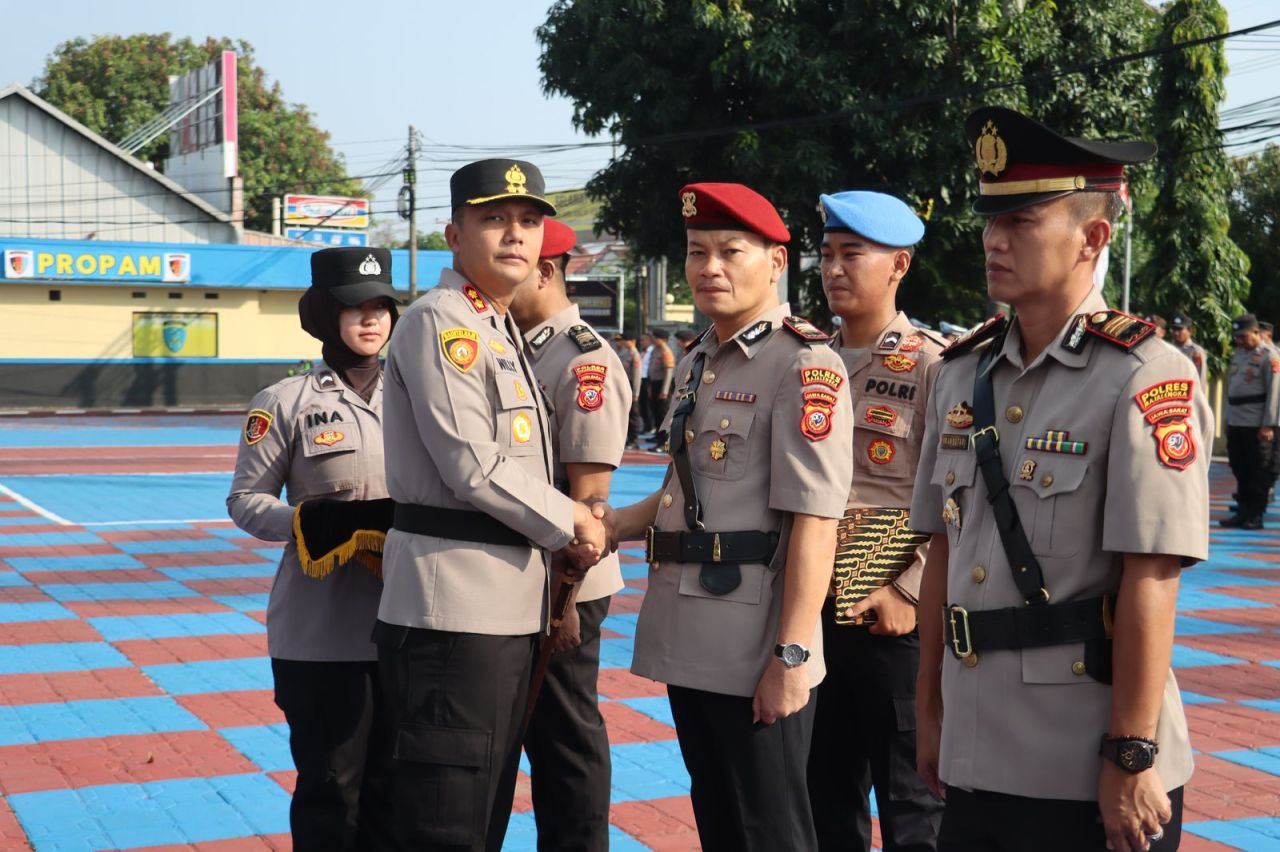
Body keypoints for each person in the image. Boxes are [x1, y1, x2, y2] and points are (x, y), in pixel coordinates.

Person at [911, 106, 1211, 852]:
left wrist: (1131, 754)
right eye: (991, 220)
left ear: (1093, 238)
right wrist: (928, 710)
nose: (994, 239)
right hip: (976, 746)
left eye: (1021, 221)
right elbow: (941, 552)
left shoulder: (1144, 376)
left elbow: (1151, 576)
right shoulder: (958, 374)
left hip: (1083, 758)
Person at [601, 182, 853, 851]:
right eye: (696, 252)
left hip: (756, 644)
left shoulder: (804, 364)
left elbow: (816, 521)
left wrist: (791, 655)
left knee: (771, 830)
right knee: (719, 820)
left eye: (730, 251)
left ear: (776, 262)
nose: (709, 267)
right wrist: (611, 526)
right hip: (693, 634)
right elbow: (685, 494)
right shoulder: (700, 359)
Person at [372, 159, 606, 852]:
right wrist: (574, 519)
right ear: (453, 235)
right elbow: (472, 465)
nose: (515, 234)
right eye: (494, 218)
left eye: (529, 221)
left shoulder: (496, 327)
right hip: (455, 611)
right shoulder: (441, 322)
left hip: (502, 607)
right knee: (447, 822)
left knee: (481, 812)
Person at [227, 246, 401, 851]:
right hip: (322, 633)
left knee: (397, 793)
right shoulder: (285, 401)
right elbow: (245, 500)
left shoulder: (422, 397)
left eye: (382, 306)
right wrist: (315, 522)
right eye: (355, 306)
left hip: (410, 624)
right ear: (325, 313)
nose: (371, 318)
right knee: (332, 790)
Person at [807, 190, 945, 852]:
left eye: (852, 254)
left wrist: (909, 592)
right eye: (827, 254)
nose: (834, 269)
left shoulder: (933, 365)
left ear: (899, 265)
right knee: (823, 797)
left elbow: (955, 496)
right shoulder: (807, 361)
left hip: (892, 616)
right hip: (811, 607)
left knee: (912, 805)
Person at [509, 217, 632, 851]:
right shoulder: (517, 346)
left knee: (564, 742)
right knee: (525, 732)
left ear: (546, 270)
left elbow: (590, 503)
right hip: (520, 577)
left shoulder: (583, 359)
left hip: (566, 582)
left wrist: (563, 601)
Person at [1222, 313, 1280, 530]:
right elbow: (1232, 392)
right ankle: (1243, 512)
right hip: (1237, 422)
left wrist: (1268, 424)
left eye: (1244, 336)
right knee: (1240, 469)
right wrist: (1227, 421)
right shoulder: (1239, 355)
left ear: (1256, 332)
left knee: (1259, 472)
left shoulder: (1269, 356)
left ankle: (1255, 515)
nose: (1240, 340)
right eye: (1237, 336)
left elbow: (1274, 393)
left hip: (1256, 424)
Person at [647, 327, 676, 445]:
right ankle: (658, 435)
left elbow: (669, 372)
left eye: (655, 338)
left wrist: (664, 391)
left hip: (663, 384)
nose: (652, 339)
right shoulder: (655, 350)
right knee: (655, 411)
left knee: (663, 413)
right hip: (654, 383)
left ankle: (664, 440)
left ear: (662, 339)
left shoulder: (666, 351)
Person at [617, 332, 645, 449]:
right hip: (625, 384)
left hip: (631, 385)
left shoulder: (635, 355)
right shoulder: (625, 352)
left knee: (633, 414)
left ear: (632, 341)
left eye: (624, 340)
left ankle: (634, 439)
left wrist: (636, 393)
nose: (622, 342)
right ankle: (629, 438)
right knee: (627, 413)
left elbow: (637, 375)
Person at [1169, 315, 1206, 383]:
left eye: (1180, 329)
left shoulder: (1195, 351)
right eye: (1174, 329)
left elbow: (1199, 376)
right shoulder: (1167, 349)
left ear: (1190, 331)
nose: (1176, 333)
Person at [638, 332, 655, 433]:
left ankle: (651, 426)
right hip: (642, 379)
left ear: (649, 340)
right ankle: (646, 426)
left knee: (648, 404)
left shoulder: (652, 351)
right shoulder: (643, 352)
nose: (641, 342)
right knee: (643, 404)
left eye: (643, 340)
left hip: (648, 380)